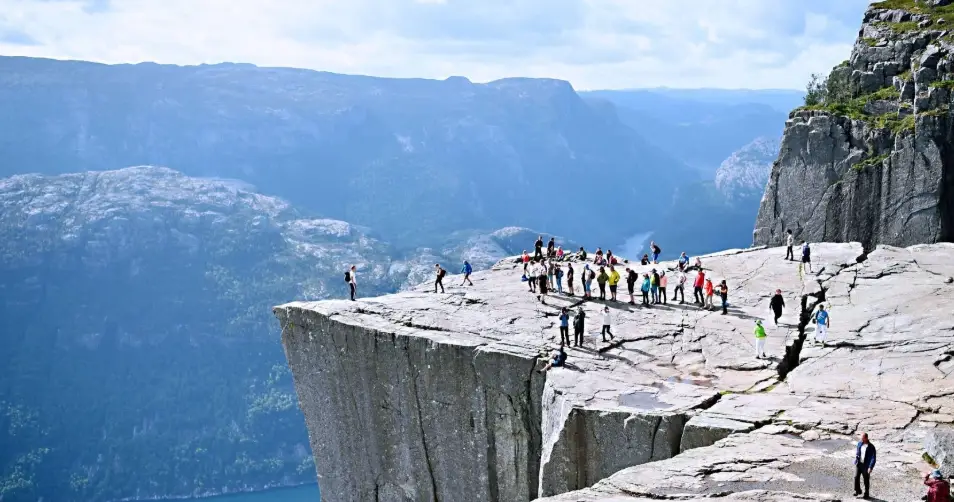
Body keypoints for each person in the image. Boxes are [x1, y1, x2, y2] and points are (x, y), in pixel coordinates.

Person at [854, 432, 876, 499]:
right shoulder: (859, 443)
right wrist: (856, 458)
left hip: (866, 466)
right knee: (856, 477)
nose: (861, 439)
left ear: (866, 438)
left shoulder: (871, 447)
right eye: (861, 438)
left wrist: (870, 467)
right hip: (859, 464)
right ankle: (858, 491)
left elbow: (873, 458)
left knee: (866, 480)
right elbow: (858, 451)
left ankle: (866, 494)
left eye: (863, 438)